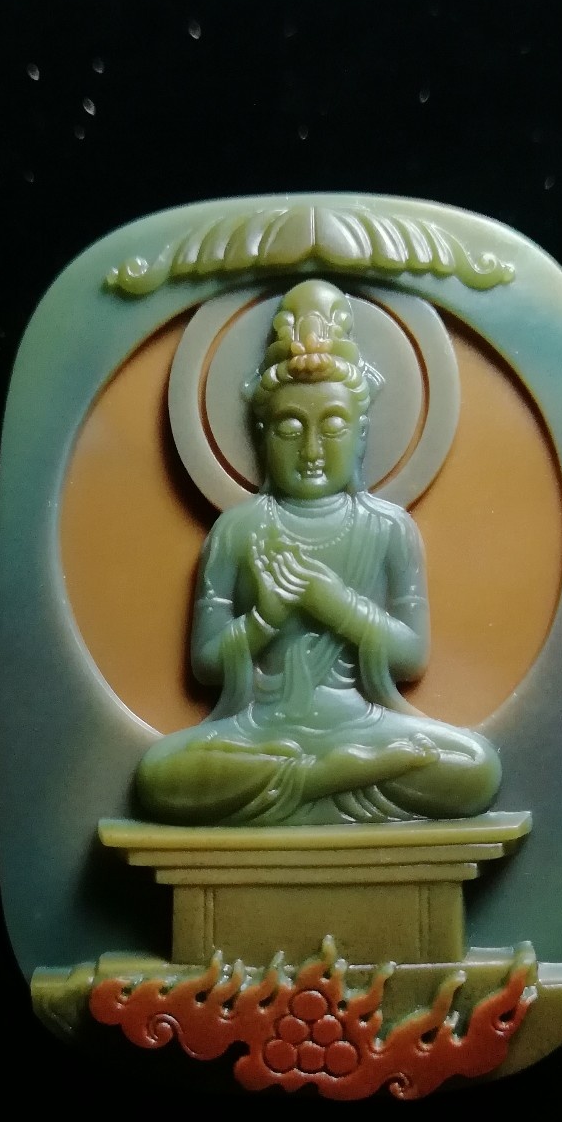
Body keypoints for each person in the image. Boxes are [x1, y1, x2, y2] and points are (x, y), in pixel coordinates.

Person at [136, 279, 501, 825]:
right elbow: (207, 664)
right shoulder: (238, 529)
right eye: (289, 428)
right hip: (262, 729)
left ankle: (307, 780)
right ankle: (327, 777)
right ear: (261, 435)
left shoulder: (388, 529)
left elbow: (410, 655)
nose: (311, 450)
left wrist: (333, 603)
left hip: (360, 723)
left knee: (474, 768)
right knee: (159, 774)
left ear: (361, 433)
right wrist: (264, 620)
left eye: (332, 426)